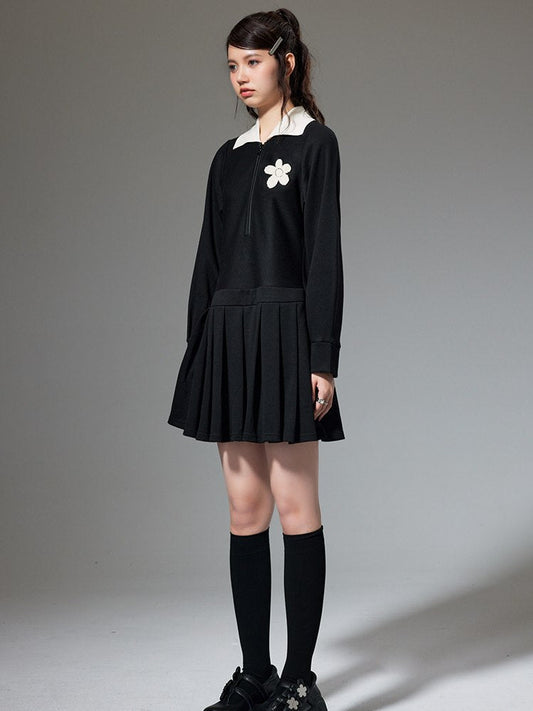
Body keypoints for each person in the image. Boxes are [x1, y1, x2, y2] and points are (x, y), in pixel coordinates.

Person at [167, 8, 344, 711]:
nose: (240, 77)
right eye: (232, 66)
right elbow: (207, 260)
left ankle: (299, 681)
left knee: (296, 506)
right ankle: (255, 675)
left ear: (286, 62)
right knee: (245, 510)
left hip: (286, 332)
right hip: (227, 335)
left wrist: (322, 355)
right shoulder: (228, 156)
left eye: (252, 62)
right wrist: (197, 351)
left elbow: (324, 254)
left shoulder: (315, 144)